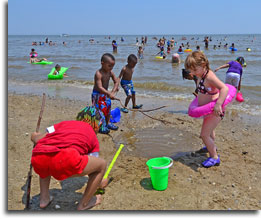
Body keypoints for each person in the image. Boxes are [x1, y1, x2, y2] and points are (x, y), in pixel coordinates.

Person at [30, 106, 109, 210]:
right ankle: (84, 204)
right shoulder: (93, 137)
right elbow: (93, 168)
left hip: (38, 157)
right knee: (101, 165)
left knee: (47, 152)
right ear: (97, 125)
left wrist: (34, 135)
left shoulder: (63, 124)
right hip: (66, 159)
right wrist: (100, 182)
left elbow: (38, 139)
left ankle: (44, 199)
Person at [184, 51, 229, 168]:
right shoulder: (200, 75)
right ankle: (210, 146)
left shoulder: (209, 76)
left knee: (204, 135)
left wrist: (218, 104)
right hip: (207, 111)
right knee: (209, 132)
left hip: (215, 111)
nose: (192, 73)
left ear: (203, 65)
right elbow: (202, 91)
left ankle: (214, 157)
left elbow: (224, 88)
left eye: (194, 70)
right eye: (191, 70)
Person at [92, 53, 119, 134]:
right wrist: (109, 93)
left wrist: (113, 91)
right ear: (102, 63)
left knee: (108, 109)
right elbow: (100, 87)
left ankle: (107, 124)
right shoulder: (98, 74)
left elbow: (116, 81)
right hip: (97, 95)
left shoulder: (110, 72)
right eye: (109, 66)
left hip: (106, 94)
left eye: (112, 66)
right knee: (100, 111)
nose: (111, 68)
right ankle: (100, 126)